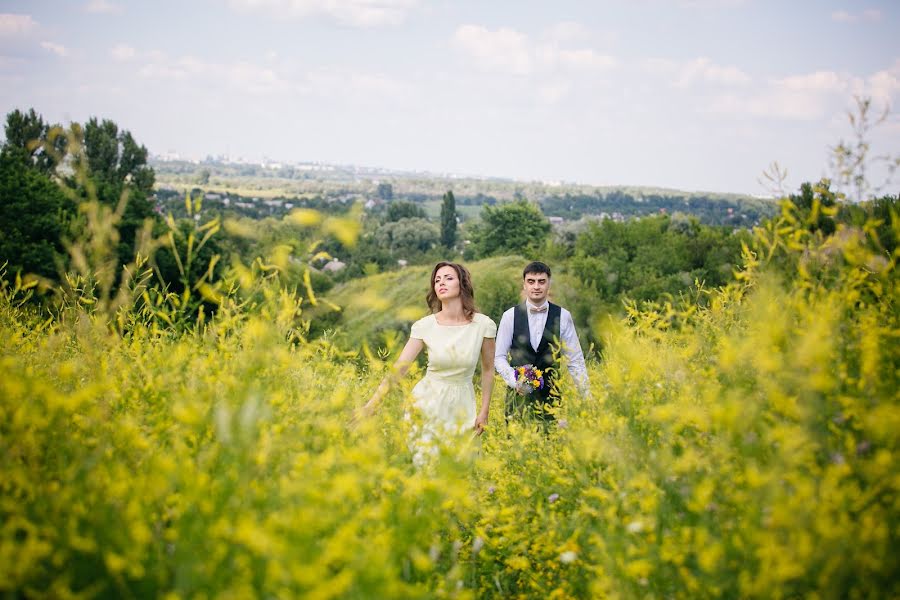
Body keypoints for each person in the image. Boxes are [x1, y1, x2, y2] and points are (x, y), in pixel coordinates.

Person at [358, 261, 497, 464]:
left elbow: (487, 370)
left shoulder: (483, 325)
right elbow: (399, 369)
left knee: (461, 470)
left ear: (463, 284)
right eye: (437, 280)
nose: (441, 283)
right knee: (428, 467)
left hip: (463, 405)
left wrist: (484, 411)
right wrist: (372, 405)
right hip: (426, 404)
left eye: (448, 278)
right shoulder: (424, 326)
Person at [494, 261, 589, 422]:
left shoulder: (563, 316)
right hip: (518, 401)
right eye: (531, 281)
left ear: (548, 284)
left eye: (541, 281)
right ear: (524, 285)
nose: (536, 286)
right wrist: (514, 380)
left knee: (553, 444)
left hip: (552, 400)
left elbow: (575, 360)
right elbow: (499, 357)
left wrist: (587, 396)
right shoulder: (509, 316)